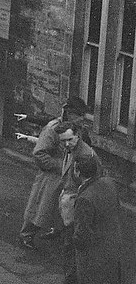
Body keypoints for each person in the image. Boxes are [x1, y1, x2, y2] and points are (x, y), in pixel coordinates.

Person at [17, 97, 87, 250]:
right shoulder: (52, 129)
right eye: (79, 115)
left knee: (64, 208)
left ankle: (56, 230)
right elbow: (39, 153)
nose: (82, 119)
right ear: (69, 113)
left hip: (70, 177)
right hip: (51, 177)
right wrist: (61, 166)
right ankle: (27, 234)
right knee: (40, 206)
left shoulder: (77, 129)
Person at [69, 155, 123, 284]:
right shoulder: (109, 183)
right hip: (112, 243)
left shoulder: (85, 198)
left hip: (92, 250)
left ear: (78, 172)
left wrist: (75, 243)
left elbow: (82, 231)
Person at [52, 120, 100, 284]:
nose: (66, 144)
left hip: (76, 213)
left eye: (69, 139)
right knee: (69, 254)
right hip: (69, 210)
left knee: (72, 255)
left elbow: (89, 186)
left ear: (78, 136)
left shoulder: (84, 156)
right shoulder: (71, 149)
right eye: (63, 141)